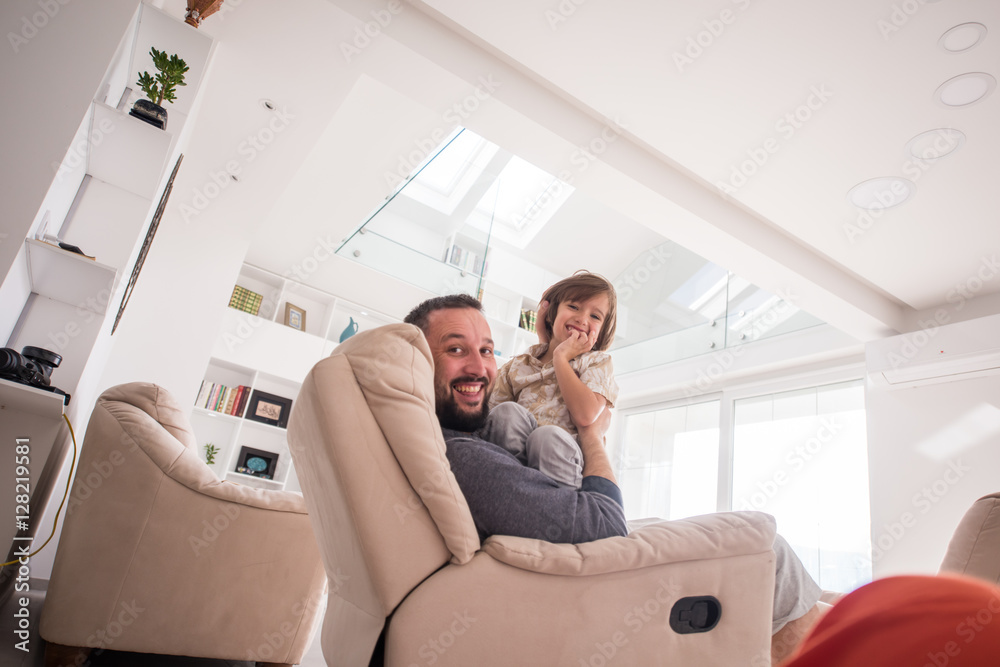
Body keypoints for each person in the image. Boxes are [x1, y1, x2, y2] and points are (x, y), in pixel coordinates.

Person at [403, 293, 824, 657]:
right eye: (456, 350)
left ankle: (828, 612)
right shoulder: (461, 455)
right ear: (418, 363)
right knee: (771, 551)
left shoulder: (464, 432)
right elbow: (606, 525)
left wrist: (548, 348)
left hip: (557, 522)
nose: (480, 367)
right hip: (584, 560)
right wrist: (592, 437)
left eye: (488, 350)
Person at [485, 271, 619, 488]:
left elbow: (586, 415)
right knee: (506, 413)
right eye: (573, 307)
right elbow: (492, 417)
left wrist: (561, 358)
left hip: (559, 457)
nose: (582, 319)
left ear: (602, 331)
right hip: (516, 461)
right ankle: (506, 487)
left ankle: (552, 504)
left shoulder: (597, 362)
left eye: (595, 316)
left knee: (547, 437)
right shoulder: (518, 365)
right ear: (551, 313)